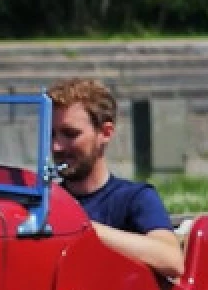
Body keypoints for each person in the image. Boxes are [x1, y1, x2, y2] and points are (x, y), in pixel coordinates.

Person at [48, 77, 184, 279]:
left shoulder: (134, 198)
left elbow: (171, 260)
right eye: (52, 135)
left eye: (70, 134)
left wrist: (80, 227)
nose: (56, 147)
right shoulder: (48, 201)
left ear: (105, 132)